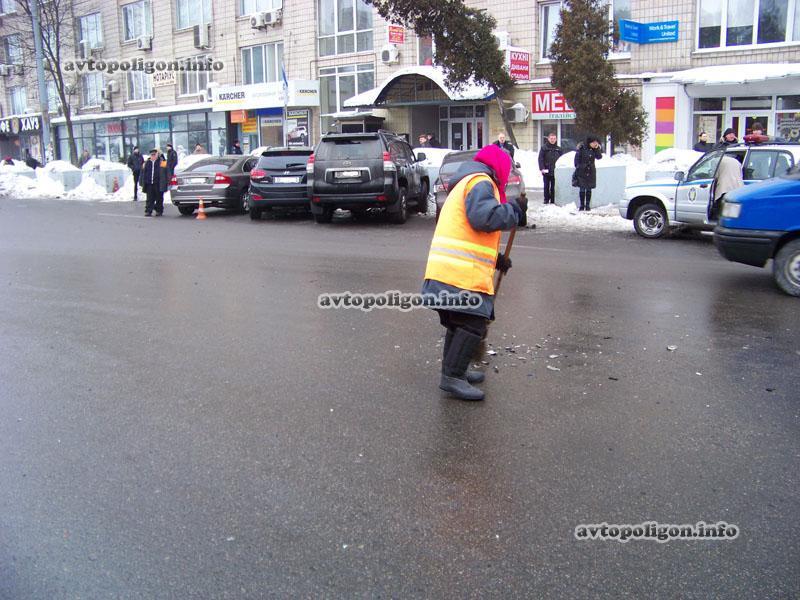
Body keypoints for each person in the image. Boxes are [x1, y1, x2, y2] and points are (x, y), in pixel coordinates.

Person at [422, 144, 526, 401]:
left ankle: (456, 369)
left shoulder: (466, 182)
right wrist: (513, 210)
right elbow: (484, 218)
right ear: (499, 169)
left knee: (460, 323)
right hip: (457, 275)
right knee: (472, 322)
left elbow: (470, 233)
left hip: (448, 272)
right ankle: (453, 377)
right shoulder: (481, 182)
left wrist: (496, 260)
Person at [708, 154, 744, 222]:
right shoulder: (736, 161)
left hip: (724, 187)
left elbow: (714, 175)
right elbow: (741, 174)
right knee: (733, 209)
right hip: (738, 188)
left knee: (721, 208)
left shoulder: (716, 161)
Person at [573, 135, 602, 211]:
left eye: (596, 142)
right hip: (582, 171)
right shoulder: (582, 148)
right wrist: (579, 167)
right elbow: (576, 160)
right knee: (582, 189)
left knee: (589, 189)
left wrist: (597, 149)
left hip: (591, 171)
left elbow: (599, 157)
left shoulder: (594, 149)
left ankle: (587, 205)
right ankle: (582, 205)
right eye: (594, 142)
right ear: (590, 142)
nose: (595, 144)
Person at [141, 148, 168, 217]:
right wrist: (143, 182)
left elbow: (166, 172)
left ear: (157, 155)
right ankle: (148, 211)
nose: (153, 156)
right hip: (149, 183)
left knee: (159, 198)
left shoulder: (162, 162)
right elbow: (143, 172)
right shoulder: (147, 162)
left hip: (158, 183)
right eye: (152, 155)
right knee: (149, 198)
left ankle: (159, 211)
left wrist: (166, 181)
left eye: (154, 154)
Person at [538, 131, 563, 205]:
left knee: (553, 186)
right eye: (551, 138)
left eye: (554, 138)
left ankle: (552, 200)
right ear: (548, 139)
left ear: (556, 139)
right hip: (546, 170)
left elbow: (562, 160)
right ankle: (546, 199)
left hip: (555, 171)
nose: (553, 140)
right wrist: (542, 168)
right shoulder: (544, 148)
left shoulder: (559, 149)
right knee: (546, 186)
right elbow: (540, 158)